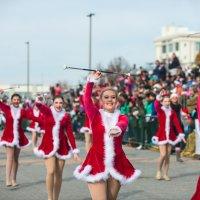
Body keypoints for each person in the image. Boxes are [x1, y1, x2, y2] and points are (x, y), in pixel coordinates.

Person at [74, 71, 141, 200]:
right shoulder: (95, 114)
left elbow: (122, 124)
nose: (110, 99)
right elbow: (86, 99)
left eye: (113, 97)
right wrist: (91, 81)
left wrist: (117, 128)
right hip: (96, 162)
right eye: (106, 97)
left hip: (117, 162)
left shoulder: (122, 117)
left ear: (117, 101)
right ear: (101, 101)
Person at [33, 96, 80, 200]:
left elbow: (70, 134)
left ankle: (56, 198)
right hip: (48, 145)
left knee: (58, 175)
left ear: (63, 104)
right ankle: (50, 198)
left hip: (62, 146)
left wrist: (75, 151)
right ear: (53, 103)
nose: (58, 105)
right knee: (51, 171)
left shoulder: (66, 116)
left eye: (60, 103)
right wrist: (39, 100)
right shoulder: (48, 112)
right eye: (56, 103)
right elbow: (39, 106)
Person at [0, 93, 31, 187]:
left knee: (16, 159)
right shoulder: (6, 108)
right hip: (8, 136)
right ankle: (7, 180)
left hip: (19, 137)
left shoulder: (22, 111)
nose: (16, 101)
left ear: (20, 100)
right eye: (14, 99)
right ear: (11, 100)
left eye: (18, 99)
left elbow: (32, 116)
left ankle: (14, 179)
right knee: (9, 158)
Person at [152, 94, 185, 181]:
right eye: (165, 101)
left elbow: (176, 123)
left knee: (167, 156)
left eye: (168, 101)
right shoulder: (160, 110)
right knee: (163, 155)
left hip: (170, 136)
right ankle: (158, 171)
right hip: (161, 135)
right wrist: (158, 98)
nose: (167, 103)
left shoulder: (172, 112)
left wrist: (181, 133)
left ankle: (165, 174)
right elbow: (156, 104)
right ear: (162, 102)